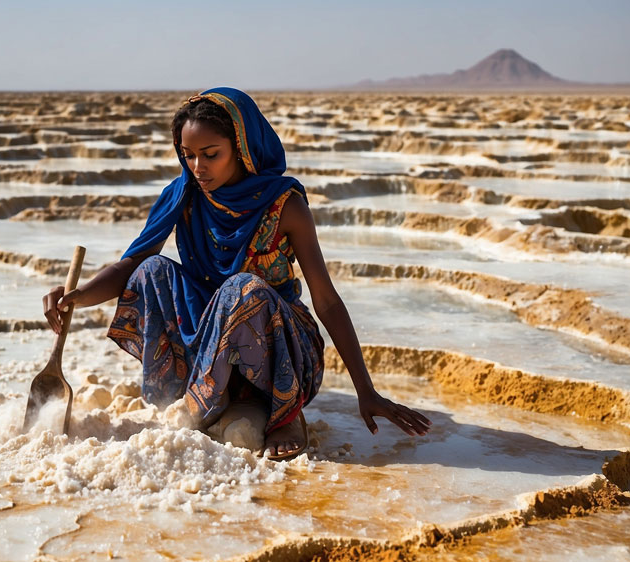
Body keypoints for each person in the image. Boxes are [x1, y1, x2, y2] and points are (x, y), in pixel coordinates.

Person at [43, 87, 430, 460]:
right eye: (188, 155)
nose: (198, 167)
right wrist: (77, 295)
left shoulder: (284, 206)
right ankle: (212, 396)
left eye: (211, 154)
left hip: (279, 343)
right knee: (152, 271)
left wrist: (367, 390)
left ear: (241, 149)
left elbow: (325, 299)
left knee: (244, 288)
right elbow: (129, 266)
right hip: (208, 334)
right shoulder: (183, 194)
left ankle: (283, 411)